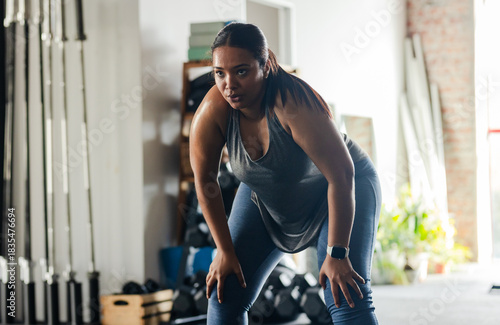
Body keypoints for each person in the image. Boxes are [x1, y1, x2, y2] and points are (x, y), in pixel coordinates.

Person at [189, 22, 381, 325]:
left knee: (344, 294)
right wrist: (224, 250)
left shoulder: (293, 104)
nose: (229, 85)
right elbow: (205, 181)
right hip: (265, 198)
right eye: (219, 73)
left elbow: (342, 176)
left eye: (241, 71)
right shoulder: (213, 110)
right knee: (224, 292)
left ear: (264, 65)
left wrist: (338, 253)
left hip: (337, 191)